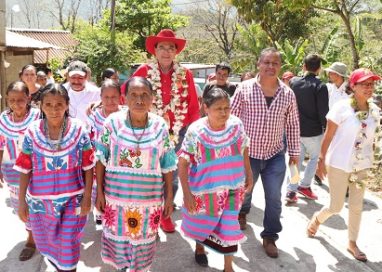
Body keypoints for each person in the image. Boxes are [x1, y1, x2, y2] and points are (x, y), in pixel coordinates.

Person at [95, 76, 177, 271]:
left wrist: (169, 197)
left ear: (151, 99)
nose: (139, 100)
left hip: (149, 201)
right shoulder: (112, 123)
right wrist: (99, 192)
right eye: (133, 95)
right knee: (120, 245)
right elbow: (100, 159)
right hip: (116, 198)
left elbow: (167, 164)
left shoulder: (160, 126)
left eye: (144, 95)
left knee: (144, 245)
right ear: (125, 98)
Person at [124, 29, 200, 233]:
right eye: (162, 47)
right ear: (155, 50)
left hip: (177, 133)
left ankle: (165, 213)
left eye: (170, 48)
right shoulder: (143, 71)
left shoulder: (186, 74)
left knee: (172, 175)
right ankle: (149, 215)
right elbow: (127, 95)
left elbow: (192, 106)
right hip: (148, 131)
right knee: (148, 174)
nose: (166, 52)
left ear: (176, 52)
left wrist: (192, 134)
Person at [14, 83, 95, 271]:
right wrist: (21, 202)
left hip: (73, 200)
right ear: (41, 106)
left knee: (69, 247)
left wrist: (86, 197)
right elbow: (25, 169)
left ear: (67, 105)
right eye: (48, 104)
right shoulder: (32, 132)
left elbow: (88, 166)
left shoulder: (79, 129)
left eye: (59, 104)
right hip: (40, 203)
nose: (54, 109)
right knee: (49, 247)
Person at [231, 47, 300, 258]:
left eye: (275, 63)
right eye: (267, 62)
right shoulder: (244, 88)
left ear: (280, 67)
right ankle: (242, 213)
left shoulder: (287, 93)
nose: (271, 66)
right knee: (244, 191)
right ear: (259, 64)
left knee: (274, 197)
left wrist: (295, 154)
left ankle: (270, 236)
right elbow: (231, 120)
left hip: (274, 155)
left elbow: (293, 125)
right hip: (247, 154)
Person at [307, 68, 381, 262]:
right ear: (353, 86)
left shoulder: (375, 111)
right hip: (339, 164)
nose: (369, 87)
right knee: (336, 206)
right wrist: (320, 161)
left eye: (371, 84)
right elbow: (329, 136)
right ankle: (317, 219)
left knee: (357, 206)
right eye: (364, 84)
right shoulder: (342, 107)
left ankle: (352, 243)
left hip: (361, 166)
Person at [179, 88, 253, 272]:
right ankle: (199, 247)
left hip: (232, 188)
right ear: (205, 108)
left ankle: (228, 267)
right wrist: (187, 193)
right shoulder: (195, 130)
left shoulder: (236, 125)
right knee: (201, 224)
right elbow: (182, 164)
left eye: (227, 108)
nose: (224, 112)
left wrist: (249, 173)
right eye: (218, 108)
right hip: (204, 190)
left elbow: (244, 149)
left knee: (230, 227)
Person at [0, 81, 40, 261]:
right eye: (12, 100)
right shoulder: (3, 119)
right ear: (7, 100)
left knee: (34, 205)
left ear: (28, 98)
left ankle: (32, 241)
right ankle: (33, 234)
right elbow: (1, 145)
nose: (16, 104)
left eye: (21, 100)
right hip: (12, 171)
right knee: (20, 207)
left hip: (35, 171)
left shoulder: (37, 116)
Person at [285, 54, 328, 203]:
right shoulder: (320, 86)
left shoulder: (293, 82)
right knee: (314, 158)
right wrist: (327, 129)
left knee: (295, 161)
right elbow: (323, 112)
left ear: (303, 66)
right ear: (319, 69)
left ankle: (291, 190)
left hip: (294, 130)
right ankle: (305, 186)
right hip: (313, 132)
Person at [87, 79, 122, 225]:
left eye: (114, 96)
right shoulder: (94, 116)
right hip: (99, 161)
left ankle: (115, 219)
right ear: (100, 98)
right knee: (98, 189)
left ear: (120, 97)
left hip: (118, 162)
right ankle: (101, 213)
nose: (110, 100)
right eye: (106, 97)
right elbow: (89, 138)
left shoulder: (125, 114)